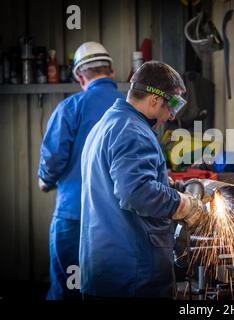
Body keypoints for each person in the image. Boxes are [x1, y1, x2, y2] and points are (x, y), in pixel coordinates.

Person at [79, 61, 206, 299]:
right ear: (154, 99)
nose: (171, 115)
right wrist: (183, 205)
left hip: (104, 271)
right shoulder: (133, 131)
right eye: (173, 105)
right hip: (133, 275)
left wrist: (169, 186)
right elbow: (135, 192)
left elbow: (121, 182)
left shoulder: (106, 125)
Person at [38, 42, 124, 300]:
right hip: (120, 219)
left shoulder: (70, 107)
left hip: (75, 216)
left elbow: (53, 158)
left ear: (79, 76)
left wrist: (45, 180)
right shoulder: (133, 108)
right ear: (112, 72)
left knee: (69, 290)